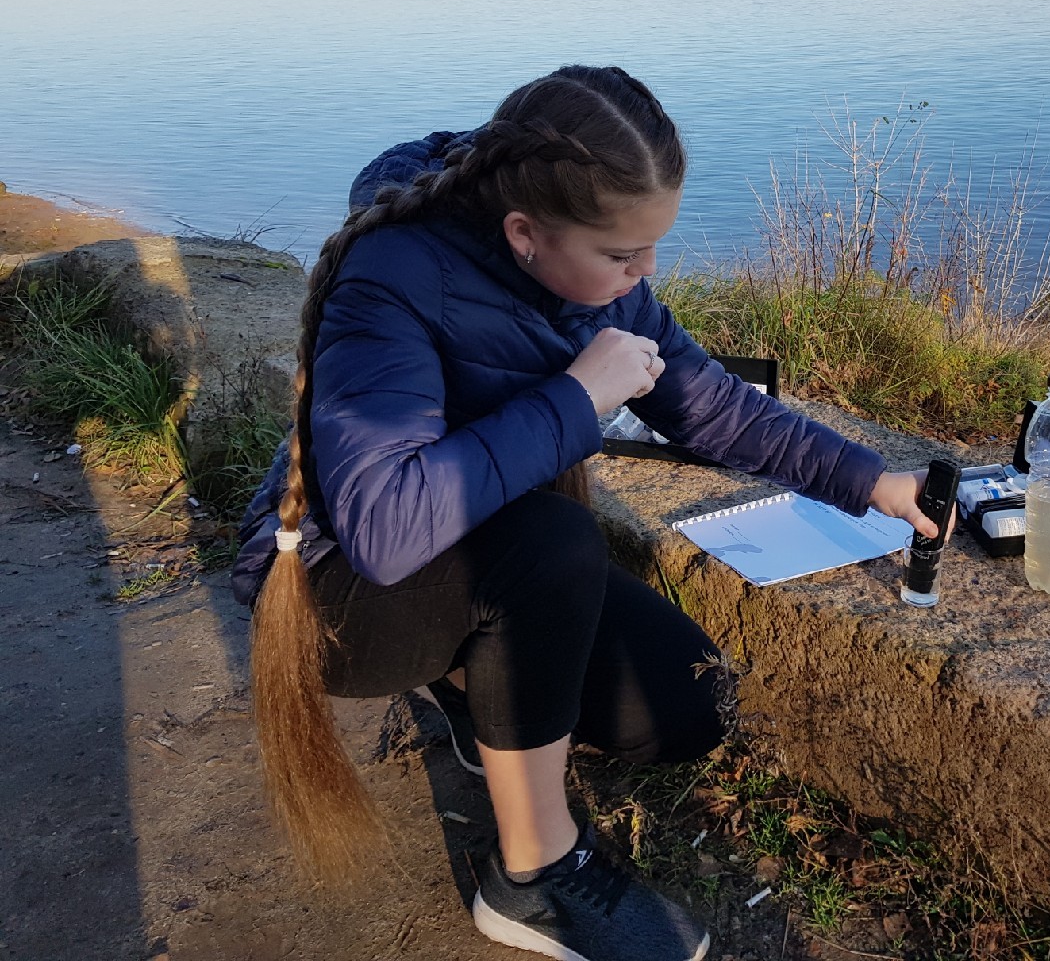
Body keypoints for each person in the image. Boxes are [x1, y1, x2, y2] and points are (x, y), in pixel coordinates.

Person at [231, 64, 940, 961]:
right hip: (338, 599)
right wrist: (576, 398)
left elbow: (712, 405)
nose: (645, 277)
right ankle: (532, 877)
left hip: (478, 561)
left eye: (653, 250)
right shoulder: (393, 279)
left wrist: (875, 484)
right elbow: (384, 528)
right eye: (623, 256)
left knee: (687, 707)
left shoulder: (597, 274)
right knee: (556, 539)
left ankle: (470, 686)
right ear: (525, 233)